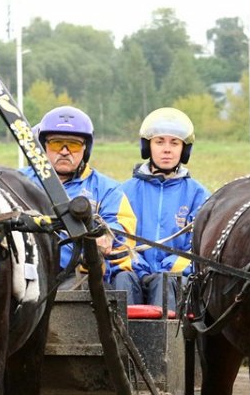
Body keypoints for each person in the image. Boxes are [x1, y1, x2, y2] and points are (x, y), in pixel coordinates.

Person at [110, 107, 209, 309]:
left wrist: (167, 268)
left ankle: (164, 341)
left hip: (174, 277)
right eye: (159, 141)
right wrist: (139, 267)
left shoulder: (198, 194)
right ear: (148, 146)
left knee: (163, 283)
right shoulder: (123, 191)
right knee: (121, 280)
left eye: (174, 143)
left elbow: (199, 246)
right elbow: (117, 238)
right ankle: (121, 340)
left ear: (184, 149)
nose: (167, 149)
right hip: (134, 271)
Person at [26, 105, 136, 286]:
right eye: (56, 143)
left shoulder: (107, 189)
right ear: (43, 146)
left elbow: (122, 228)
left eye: (74, 145)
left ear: (86, 149)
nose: (64, 151)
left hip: (79, 276)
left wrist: (107, 236)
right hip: (27, 271)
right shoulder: (20, 180)